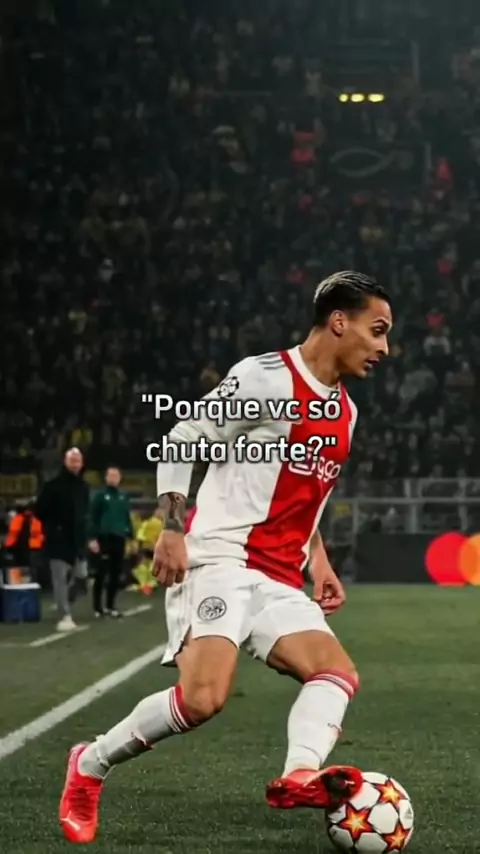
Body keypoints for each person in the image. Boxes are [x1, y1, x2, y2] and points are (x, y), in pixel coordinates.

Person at [59, 271, 392, 844]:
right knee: (202, 699)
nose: (385, 347)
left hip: (279, 575)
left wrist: (318, 560)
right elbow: (183, 436)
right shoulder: (265, 378)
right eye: (377, 330)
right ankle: (89, 764)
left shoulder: (346, 413)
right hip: (219, 559)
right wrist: (172, 526)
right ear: (339, 322)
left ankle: (301, 775)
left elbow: (305, 494)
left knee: (336, 673)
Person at [35, 447, 89, 632]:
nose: (75, 464)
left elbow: (84, 513)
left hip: (78, 540)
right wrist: (54, 527)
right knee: (59, 579)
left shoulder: (83, 486)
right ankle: (64, 615)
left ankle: (64, 603)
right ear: (65, 462)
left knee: (82, 576)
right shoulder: (52, 485)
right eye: (72, 460)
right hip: (58, 540)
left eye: (78, 461)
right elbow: (39, 509)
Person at [88, 467, 133, 618]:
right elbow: (92, 517)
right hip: (104, 538)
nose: (113, 478)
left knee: (116, 573)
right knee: (101, 573)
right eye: (111, 475)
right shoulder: (100, 495)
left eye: (116, 475)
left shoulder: (123, 496)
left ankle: (111, 606)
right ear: (106, 478)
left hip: (119, 537)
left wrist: (130, 536)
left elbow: (126, 516)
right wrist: (92, 538)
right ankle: (97, 607)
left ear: (120, 478)